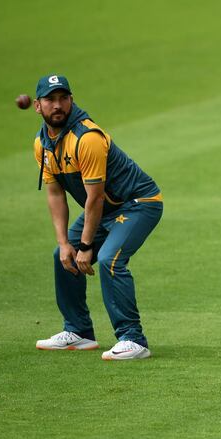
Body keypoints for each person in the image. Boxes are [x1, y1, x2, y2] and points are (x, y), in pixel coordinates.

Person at [32, 74, 163, 360]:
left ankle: (133, 339)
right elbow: (55, 194)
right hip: (106, 210)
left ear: (71, 101)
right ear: (37, 106)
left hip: (138, 203)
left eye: (63, 98)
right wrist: (66, 243)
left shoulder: (87, 138)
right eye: (50, 100)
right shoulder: (42, 146)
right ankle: (78, 332)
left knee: (109, 260)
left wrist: (86, 245)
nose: (58, 105)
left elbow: (95, 198)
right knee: (61, 255)